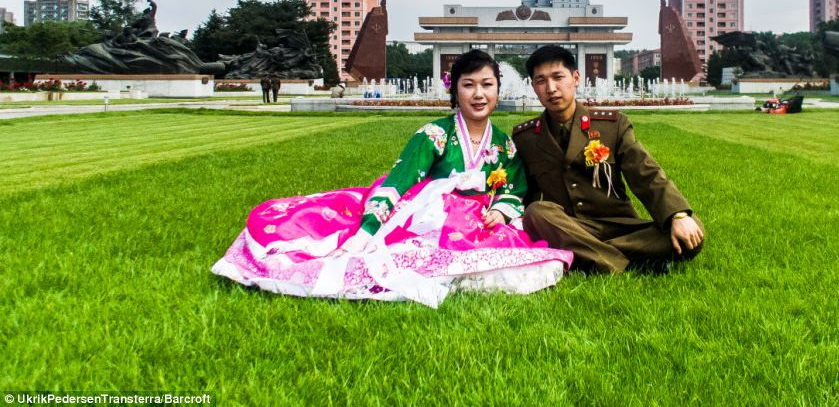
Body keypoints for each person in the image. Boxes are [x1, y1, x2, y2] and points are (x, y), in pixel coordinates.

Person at [212, 49, 572, 307]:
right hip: (429, 218)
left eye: (487, 84)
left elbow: (515, 188)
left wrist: (504, 211)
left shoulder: (504, 144)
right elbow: (398, 183)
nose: (479, 94)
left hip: (478, 222)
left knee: (529, 260)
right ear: (455, 90)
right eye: (468, 85)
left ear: (498, 90)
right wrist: (368, 230)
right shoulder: (433, 135)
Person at [512, 45, 704, 274]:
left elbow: (646, 173)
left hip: (620, 227)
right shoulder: (526, 137)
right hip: (568, 226)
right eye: (541, 81)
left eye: (558, 77)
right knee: (536, 212)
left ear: (575, 78)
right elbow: (524, 196)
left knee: (692, 232)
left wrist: (677, 215)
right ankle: (630, 265)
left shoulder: (611, 126)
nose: (551, 88)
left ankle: (588, 258)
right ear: (533, 87)